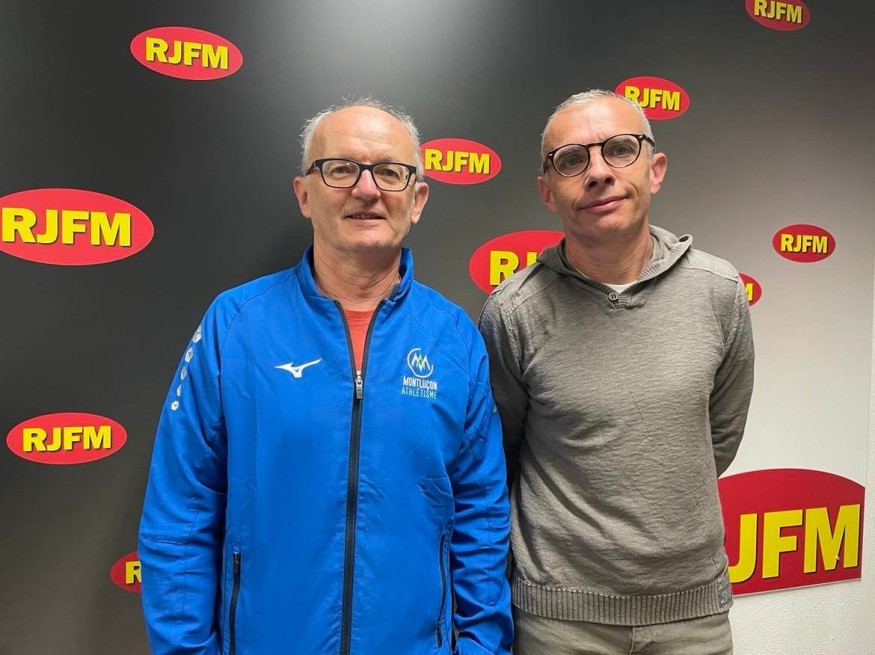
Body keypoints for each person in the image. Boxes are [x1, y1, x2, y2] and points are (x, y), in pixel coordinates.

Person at [139, 99, 513, 655]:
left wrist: (483, 647)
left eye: (390, 172)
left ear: (417, 200)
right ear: (304, 194)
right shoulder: (236, 324)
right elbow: (181, 512)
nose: (366, 189)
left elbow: (481, 514)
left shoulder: (454, 338)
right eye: (340, 169)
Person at [478, 90, 754, 655]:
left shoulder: (720, 292)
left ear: (655, 170)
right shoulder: (514, 312)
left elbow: (717, 438)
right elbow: (500, 455)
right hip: (560, 620)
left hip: (694, 616)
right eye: (572, 160)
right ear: (547, 192)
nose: (599, 173)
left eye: (620, 150)